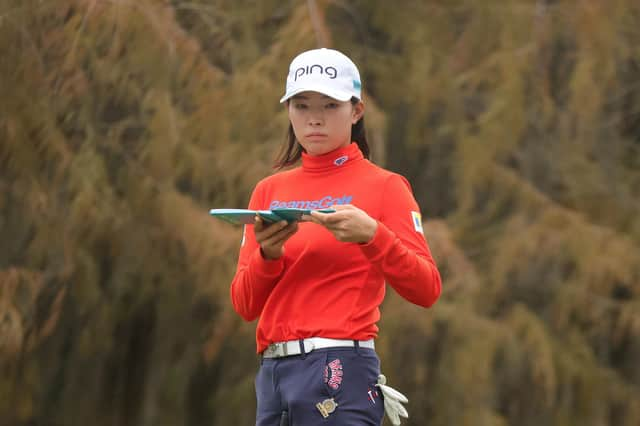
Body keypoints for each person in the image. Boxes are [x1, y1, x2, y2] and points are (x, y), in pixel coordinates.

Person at [229, 47, 442, 426]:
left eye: (330, 105)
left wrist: (373, 236)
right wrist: (269, 255)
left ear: (356, 110)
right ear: (289, 110)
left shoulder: (385, 187)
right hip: (273, 376)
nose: (314, 119)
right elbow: (245, 304)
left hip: (339, 370)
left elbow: (426, 288)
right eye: (302, 105)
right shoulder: (269, 191)